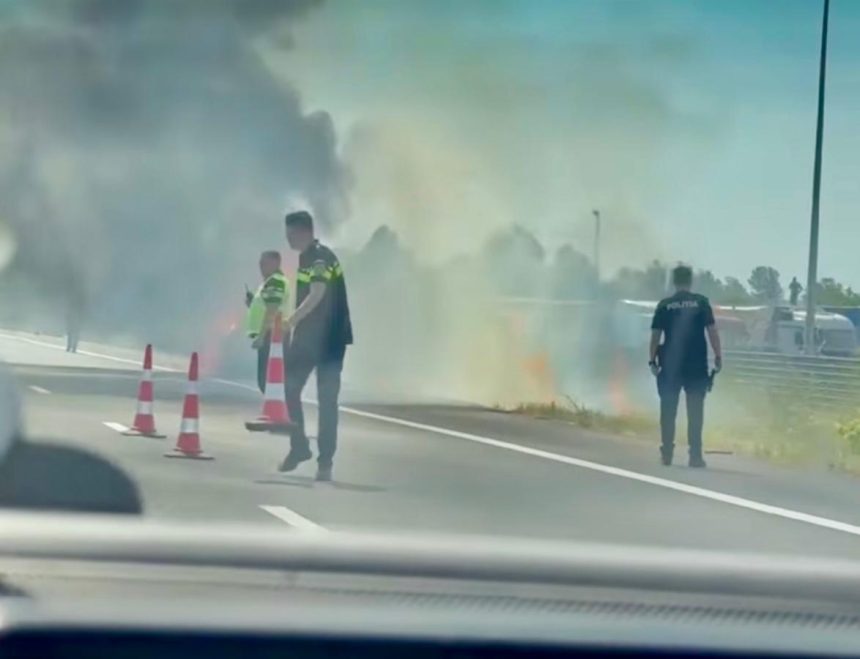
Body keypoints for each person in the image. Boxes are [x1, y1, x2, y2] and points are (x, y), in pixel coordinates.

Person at [278, 210, 353, 482]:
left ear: (303, 232)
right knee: (291, 388)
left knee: (325, 400)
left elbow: (318, 293)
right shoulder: (307, 257)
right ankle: (301, 448)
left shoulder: (320, 257)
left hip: (326, 341)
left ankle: (322, 460)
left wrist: (291, 321)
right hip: (314, 338)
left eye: (291, 235)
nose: (288, 240)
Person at [649, 265, 722, 468]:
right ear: (690, 281)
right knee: (696, 411)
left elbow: (655, 335)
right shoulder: (701, 302)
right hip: (696, 364)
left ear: (674, 281)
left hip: (671, 365)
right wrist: (718, 355)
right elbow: (712, 331)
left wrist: (651, 359)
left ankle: (667, 453)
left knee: (668, 410)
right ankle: (695, 455)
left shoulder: (665, 305)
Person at [246, 251, 290, 392]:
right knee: (268, 379)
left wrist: (261, 337)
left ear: (275, 264)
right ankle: (275, 410)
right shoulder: (270, 282)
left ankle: (277, 410)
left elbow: (272, 310)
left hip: (272, 335)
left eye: (264, 263)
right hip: (272, 335)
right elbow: (267, 307)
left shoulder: (275, 282)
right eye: (260, 263)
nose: (261, 267)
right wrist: (252, 303)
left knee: (268, 380)